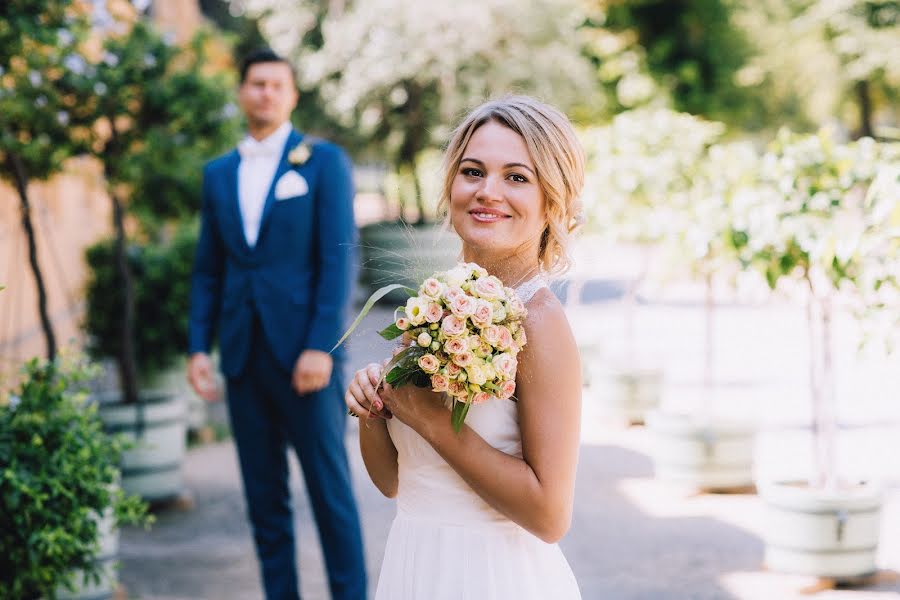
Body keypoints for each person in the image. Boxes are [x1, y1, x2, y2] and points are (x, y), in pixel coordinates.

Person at [345, 96, 584, 599]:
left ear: (551, 200)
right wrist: (374, 410)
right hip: (414, 562)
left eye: (516, 177)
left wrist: (432, 420)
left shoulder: (539, 322)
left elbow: (550, 515)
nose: (487, 192)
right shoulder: (437, 305)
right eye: (472, 171)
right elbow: (393, 480)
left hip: (491, 576)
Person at [186, 48, 366, 600]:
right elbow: (208, 270)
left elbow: (339, 259)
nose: (265, 92)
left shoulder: (323, 162)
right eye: (256, 83)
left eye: (276, 85)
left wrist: (321, 346)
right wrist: (199, 346)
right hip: (242, 357)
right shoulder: (217, 174)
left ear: (291, 96)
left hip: (306, 359)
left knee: (330, 496)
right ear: (241, 92)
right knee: (265, 503)